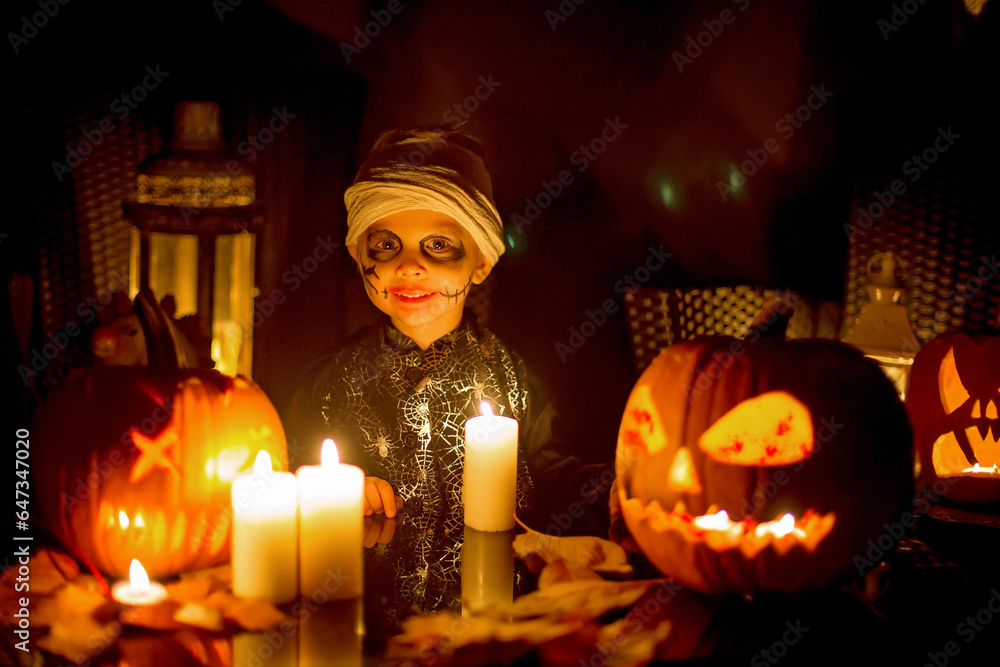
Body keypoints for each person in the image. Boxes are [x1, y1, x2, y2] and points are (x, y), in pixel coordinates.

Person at [285, 127, 611, 547]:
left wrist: (610, 490)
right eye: (386, 244)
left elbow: (547, 472)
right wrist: (341, 490)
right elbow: (291, 473)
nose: (409, 266)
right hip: (365, 593)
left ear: (481, 262)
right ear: (357, 252)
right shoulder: (327, 382)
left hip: (491, 594)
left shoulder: (512, 378)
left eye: (437, 245)